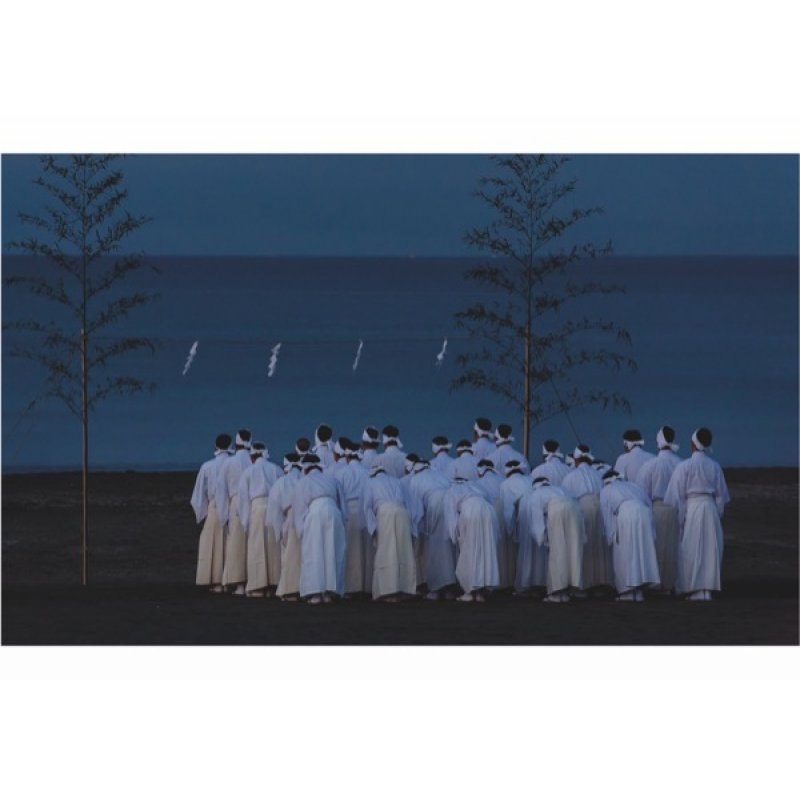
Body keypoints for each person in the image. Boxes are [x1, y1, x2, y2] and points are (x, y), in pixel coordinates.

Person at [663, 427, 730, 601]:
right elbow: (721, 496)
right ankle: (707, 588)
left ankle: (695, 588)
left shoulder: (684, 466)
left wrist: (681, 517)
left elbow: (677, 496)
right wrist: (717, 513)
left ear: (693, 444)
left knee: (691, 548)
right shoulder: (715, 466)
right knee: (710, 548)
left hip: (693, 509)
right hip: (710, 508)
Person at [517, 476, 585, 603]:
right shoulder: (561, 489)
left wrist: (542, 539)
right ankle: (572, 588)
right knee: (573, 551)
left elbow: (536, 520)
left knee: (556, 552)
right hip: (574, 508)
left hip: (555, 510)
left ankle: (556, 592)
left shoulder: (535, 495)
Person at [292, 454, 348, 604]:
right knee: (332, 551)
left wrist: (301, 530)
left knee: (314, 551)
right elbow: (343, 505)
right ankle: (330, 592)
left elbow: (299, 507)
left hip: (315, 513)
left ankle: (315, 593)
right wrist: (342, 520)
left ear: (305, 469)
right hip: (334, 512)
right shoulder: (332, 479)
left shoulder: (303, 482)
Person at [635, 426, 683, 593]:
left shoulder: (650, 465)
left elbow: (642, 492)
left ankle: (655, 583)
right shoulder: (681, 463)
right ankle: (670, 584)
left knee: (656, 546)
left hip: (657, 508)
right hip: (676, 509)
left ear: (658, 442)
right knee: (673, 547)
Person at [600, 470, 661, 601]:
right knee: (642, 551)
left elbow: (607, 514)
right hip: (644, 513)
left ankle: (627, 591)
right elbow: (648, 504)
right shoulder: (634, 486)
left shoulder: (606, 490)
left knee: (624, 552)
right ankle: (639, 589)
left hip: (626, 513)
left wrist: (611, 536)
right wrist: (652, 530)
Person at [561, 444, 612, 592]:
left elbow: (567, 497)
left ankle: (583, 583)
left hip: (582, 508)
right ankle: (600, 583)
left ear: (576, 459)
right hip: (600, 507)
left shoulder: (570, 476)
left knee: (583, 545)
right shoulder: (598, 475)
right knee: (599, 546)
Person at [362, 464, 417, 600]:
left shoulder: (371, 482)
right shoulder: (397, 481)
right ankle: (404, 588)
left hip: (385, 513)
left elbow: (367, 507)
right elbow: (409, 503)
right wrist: (412, 526)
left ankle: (388, 590)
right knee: (403, 550)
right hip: (403, 513)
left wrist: (372, 528)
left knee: (387, 551)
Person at [443, 478, 500, 602]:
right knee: (486, 550)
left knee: (468, 552)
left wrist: (455, 536)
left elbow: (450, 516)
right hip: (488, 510)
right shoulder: (477, 487)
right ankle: (481, 591)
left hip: (470, 511)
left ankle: (469, 591)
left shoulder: (451, 491)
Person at [407, 458, 456, 600]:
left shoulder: (415, 479)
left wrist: (416, 528)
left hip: (435, 506)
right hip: (451, 503)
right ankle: (449, 587)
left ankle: (436, 588)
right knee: (449, 546)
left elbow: (416, 508)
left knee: (435, 548)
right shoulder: (440, 475)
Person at [239, 442, 282, 597]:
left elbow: (243, 499)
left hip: (256, 508)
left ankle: (258, 585)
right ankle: (274, 583)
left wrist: (245, 522)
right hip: (273, 507)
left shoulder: (248, 472)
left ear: (252, 457)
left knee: (257, 546)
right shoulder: (276, 469)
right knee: (273, 546)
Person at [190, 433, 231, 593]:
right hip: (231, 506)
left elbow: (198, 492)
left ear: (215, 446)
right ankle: (228, 580)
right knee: (229, 543)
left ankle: (215, 581)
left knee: (212, 543)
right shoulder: (233, 463)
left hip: (214, 506)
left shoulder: (207, 466)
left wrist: (203, 511)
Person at [217, 428, 254, 594]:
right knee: (252, 543)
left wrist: (222, 514)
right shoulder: (253, 461)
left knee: (237, 543)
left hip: (236, 502)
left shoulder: (229, 463)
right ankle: (254, 581)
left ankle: (239, 584)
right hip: (252, 503)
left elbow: (221, 490)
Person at [334, 439, 370, 597]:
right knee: (366, 549)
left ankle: (350, 587)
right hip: (364, 510)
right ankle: (367, 585)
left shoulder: (341, 473)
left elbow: (339, 496)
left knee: (350, 549)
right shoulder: (367, 472)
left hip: (348, 510)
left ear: (347, 456)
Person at [269, 453, 303, 601]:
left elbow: (275, 509)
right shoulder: (306, 479)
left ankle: (290, 589)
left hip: (289, 519)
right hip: (307, 518)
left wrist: (279, 531)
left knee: (289, 554)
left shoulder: (281, 482)